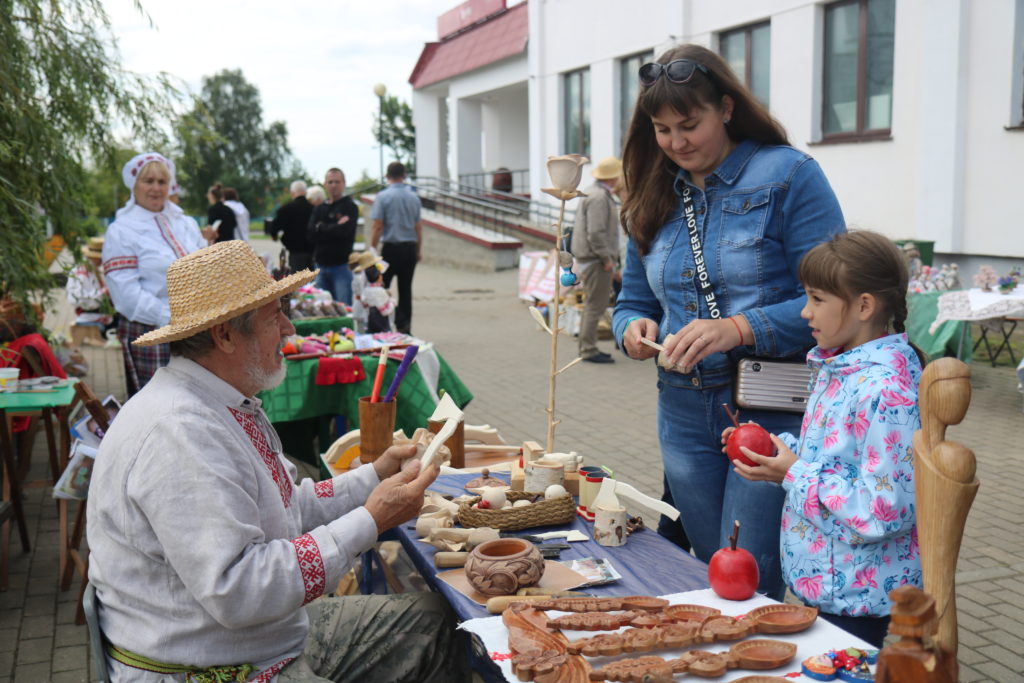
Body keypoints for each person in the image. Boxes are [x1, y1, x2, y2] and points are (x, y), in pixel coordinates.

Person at [87, 241, 470, 683]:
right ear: (225, 335)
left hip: (266, 641)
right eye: (275, 316)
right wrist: (371, 519)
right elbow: (240, 590)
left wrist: (375, 476)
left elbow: (287, 509)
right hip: (216, 669)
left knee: (437, 621)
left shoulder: (221, 401)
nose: (289, 328)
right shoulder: (180, 432)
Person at [612, 44, 845, 599]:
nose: (676, 143)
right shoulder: (652, 189)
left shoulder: (789, 175)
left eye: (689, 124)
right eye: (662, 130)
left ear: (727, 107)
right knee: (710, 567)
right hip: (682, 408)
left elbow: (838, 300)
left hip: (771, 402)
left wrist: (739, 328)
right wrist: (632, 332)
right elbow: (632, 302)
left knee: (753, 576)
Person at [726, 230, 925, 647]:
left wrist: (793, 474)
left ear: (864, 306)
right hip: (829, 582)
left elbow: (882, 509)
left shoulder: (884, 391)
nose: (804, 312)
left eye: (817, 299)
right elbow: (833, 458)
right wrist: (775, 450)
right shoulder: (840, 369)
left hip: (857, 596)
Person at [102, 152, 207, 395]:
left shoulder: (185, 223)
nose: (156, 188)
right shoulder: (122, 230)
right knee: (159, 404)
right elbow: (126, 293)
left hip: (197, 325)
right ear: (134, 185)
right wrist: (169, 318)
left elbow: (206, 266)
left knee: (200, 400)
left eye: (162, 182)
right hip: (151, 330)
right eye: (148, 181)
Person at [570, 156, 622, 364]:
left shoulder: (593, 192)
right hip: (596, 260)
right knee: (595, 305)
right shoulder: (600, 197)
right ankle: (588, 349)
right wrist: (607, 258)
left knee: (593, 304)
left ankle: (586, 347)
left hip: (590, 258)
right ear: (612, 177)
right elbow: (596, 233)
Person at [370, 162, 423, 334]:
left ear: (387, 176)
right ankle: (405, 328)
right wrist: (418, 250)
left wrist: (372, 248)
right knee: (406, 289)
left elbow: (378, 225)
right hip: (409, 248)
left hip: (390, 250)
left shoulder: (383, 197)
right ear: (404, 175)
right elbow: (418, 227)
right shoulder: (414, 197)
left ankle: (384, 323)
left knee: (379, 286)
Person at [308, 168, 359, 305]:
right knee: (322, 308)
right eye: (330, 182)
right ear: (325, 184)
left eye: (337, 182)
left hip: (341, 267)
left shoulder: (350, 207)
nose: (334, 185)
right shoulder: (319, 208)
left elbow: (344, 232)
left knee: (343, 309)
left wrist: (322, 227)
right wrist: (335, 226)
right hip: (320, 266)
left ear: (344, 183)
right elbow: (311, 234)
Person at [66, 236, 114, 338]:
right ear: (95, 256)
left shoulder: (95, 270)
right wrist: (103, 293)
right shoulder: (81, 273)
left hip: (98, 312)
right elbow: (78, 298)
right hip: (89, 314)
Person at [272, 180, 316, 272]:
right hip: (313, 251)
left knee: (298, 281)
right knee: (312, 281)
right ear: (306, 192)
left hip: (295, 251)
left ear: (292, 193)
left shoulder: (286, 209)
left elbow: (274, 226)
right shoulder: (314, 209)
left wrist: (274, 236)